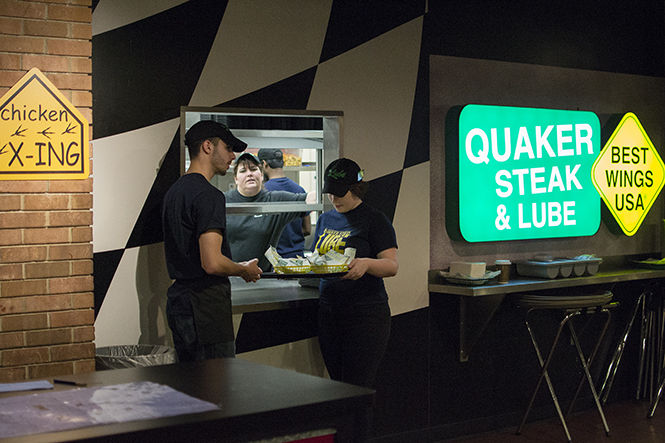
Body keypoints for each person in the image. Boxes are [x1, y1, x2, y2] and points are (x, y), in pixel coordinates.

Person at [162, 120, 262, 362]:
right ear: (208, 146)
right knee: (215, 389)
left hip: (180, 301)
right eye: (228, 148)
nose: (232, 155)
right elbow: (212, 263)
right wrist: (243, 270)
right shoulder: (209, 196)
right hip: (205, 306)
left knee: (190, 389)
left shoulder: (174, 192)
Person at [312, 158, 399, 388]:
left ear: (355, 189)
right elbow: (316, 258)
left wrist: (366, 264)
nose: (334, 199)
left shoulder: (374, 219)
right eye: (330, 193)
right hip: (329, 311)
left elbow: (391, 266)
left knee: (357, 388)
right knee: (337, 386)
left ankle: (359, 426)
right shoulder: (325, 219)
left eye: (340, 194)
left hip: (365, 314)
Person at [224, 152, 310, 271]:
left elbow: (310, 199)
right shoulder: (222, 200)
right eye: (243, 171)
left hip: (263, 276)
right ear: (236, 178)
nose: (249, 174)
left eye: (254, 169)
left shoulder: (275, 200)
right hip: (230, 275)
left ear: (261, 175)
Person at [258, 148, 311, 258]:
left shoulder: (263, 192)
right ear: (283, 163)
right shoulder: (300, 190)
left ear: (264, 164)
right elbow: (307, 229)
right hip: (297, 257)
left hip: (272, 259)